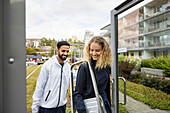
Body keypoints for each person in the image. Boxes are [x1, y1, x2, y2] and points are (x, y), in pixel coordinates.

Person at [73, 36, 113, 113]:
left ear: (104, 51)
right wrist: (82, 111)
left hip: (104, 105)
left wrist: (109, 105)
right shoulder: (84, 67)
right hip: (91, 107)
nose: (94, 53)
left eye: (97, 50)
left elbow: (106, 90)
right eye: (92, 50)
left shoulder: (105, 66)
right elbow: (77, 93)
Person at [31, 41, 71, 113]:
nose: (65, 53)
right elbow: (40, 86)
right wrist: (35, 107)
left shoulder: (68, 67)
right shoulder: (48, 65)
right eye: (63, 51)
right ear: (57, 50)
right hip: (47, 108)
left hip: (61, 108)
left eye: (67, 51)